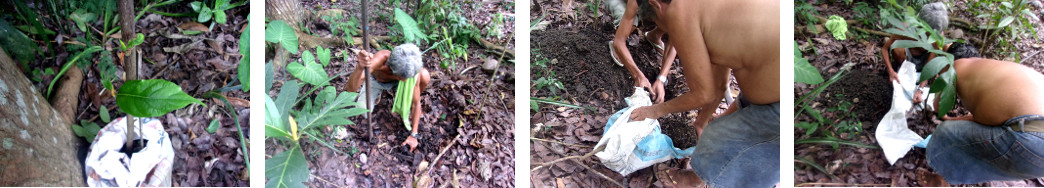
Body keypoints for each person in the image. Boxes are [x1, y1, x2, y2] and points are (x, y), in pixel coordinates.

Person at [625, 0, 780, 187]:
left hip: (778, 109)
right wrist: (702, 120)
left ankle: (694, 180)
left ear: (657, 5)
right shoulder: (713, 17)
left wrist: (654, 111)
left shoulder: (678, 11)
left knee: (718, 137)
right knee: (718, 128)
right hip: (768, 92)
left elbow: (703, 94)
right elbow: (719, 83)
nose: (664, 31)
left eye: (658, 23)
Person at [924, 42, 1044, 185]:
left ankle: (941, 176)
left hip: (1031, 139)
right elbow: (988, 118)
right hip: (1033, 141)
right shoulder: (993, 68)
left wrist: (947, 118)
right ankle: (953, 177)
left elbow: (938, 107)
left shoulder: (955, 67)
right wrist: (954, 118)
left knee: (947, 132)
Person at [608, 0, 731, 135]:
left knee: (672, 23)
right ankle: (631, 35)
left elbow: (674, 38)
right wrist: (638, 76)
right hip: (622, 4)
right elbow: (618, 41)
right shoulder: (637, 3)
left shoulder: (683, 8)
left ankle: (654, 36)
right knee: (632, 25)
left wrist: (661, 79)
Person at [344, 44, 432, 152]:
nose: (404, 80)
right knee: (364, 110)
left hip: (398, 85)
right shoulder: (380, 60)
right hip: (377, 81)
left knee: (425, 75)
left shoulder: (411, 73)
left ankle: (405, 99)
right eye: (402, 77)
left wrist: (414, 134)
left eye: (406, 78)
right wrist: (359, 68)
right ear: (391, 67)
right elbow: (350, 90)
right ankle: (378, 93)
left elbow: (416, 103)